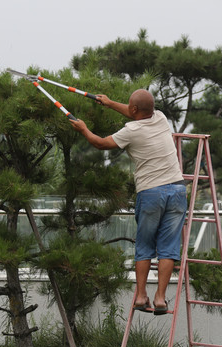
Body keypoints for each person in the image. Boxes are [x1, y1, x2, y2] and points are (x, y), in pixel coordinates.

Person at [69, 89, 187, 315]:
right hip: (177, 190)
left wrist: (83, 129)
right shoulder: (160, 118)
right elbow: (135, 111)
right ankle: (161, 299)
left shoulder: (131, 131)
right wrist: (111, 102)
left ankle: (142, 296)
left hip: (152, 193)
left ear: (134, 110)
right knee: (168, 248)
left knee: (144, 246)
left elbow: (102, 143)